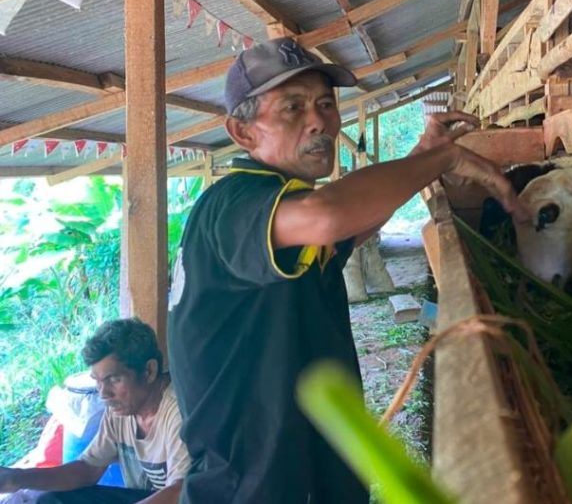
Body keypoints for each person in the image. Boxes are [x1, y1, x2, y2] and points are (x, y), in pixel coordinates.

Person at [167, 36, 521, 503]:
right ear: (243, 133)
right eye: (292, 107)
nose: (319, 121)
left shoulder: (282, 205)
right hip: (254, 485)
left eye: (325, 104)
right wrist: (445, 158)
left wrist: (421, 155)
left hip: (307, 464)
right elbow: (326, 215)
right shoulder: (233, 205)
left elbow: (349, 227)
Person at [0, 319, 189, 504]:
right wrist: (17, 478)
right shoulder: (120, 409)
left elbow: (180, 492)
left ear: (149, 371)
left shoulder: (179, 412)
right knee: (50, 500)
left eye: (114, 379)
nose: (104, 393)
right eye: (98, 381)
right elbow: (88, 469)